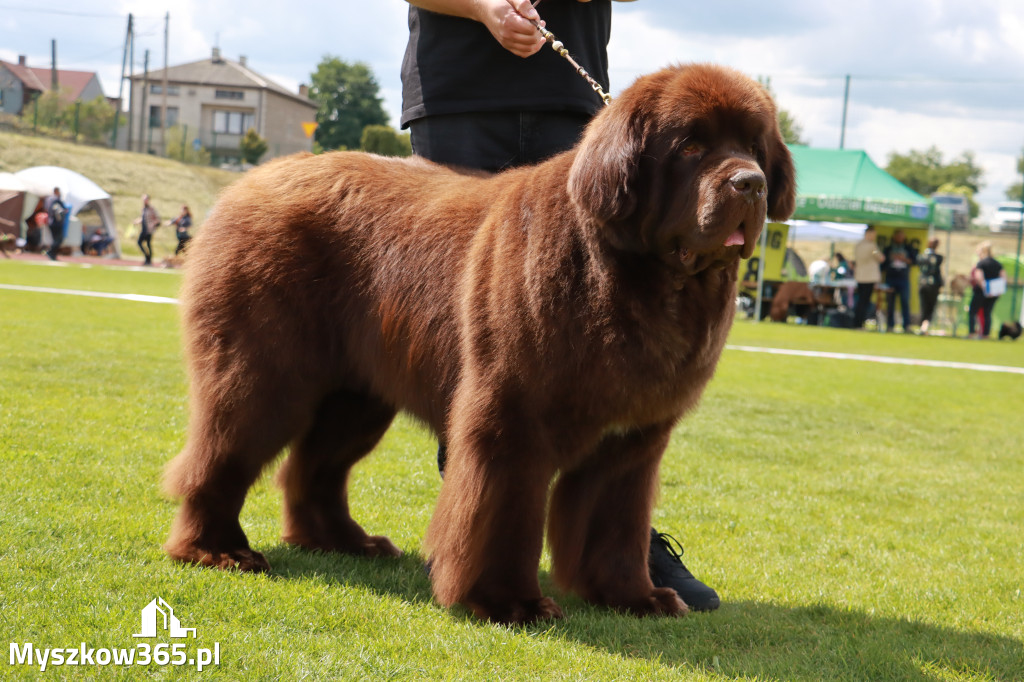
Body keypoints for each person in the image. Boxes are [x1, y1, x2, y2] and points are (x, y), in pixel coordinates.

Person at [401, 0, 720, 611]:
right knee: (472, 356)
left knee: (604, 349)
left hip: (571, 103)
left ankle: (616, 553)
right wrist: (482, 8)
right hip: (460, 99)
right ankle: (482, 543)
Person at [967, 241, 1006, 339]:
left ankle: (972, 333)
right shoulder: (998, 264)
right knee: (987, 313)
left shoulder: (981, 263)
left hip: (981, 292)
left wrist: (986, 289)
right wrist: (996, 291)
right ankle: (986, 334)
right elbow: (1003, 278)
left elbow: (979, 277)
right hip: (994, 293)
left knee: (973, 311)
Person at [882, 229, 918, 332]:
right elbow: (883, 264)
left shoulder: (908, 248)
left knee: (905, 302)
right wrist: (891, 258)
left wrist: (904, 259)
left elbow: (914, 261)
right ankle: (890, 325)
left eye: (901, 236)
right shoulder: (888, 248)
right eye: (897, 236)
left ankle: (906, 325)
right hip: (891, 278)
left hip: (903, 279)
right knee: (890, 303)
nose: (899, 238)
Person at [852, 226, 885, 328]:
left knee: (860, 301)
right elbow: (880, 257)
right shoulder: (872, 247)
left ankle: (856, 322)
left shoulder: (858, 245)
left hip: (860, 277)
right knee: (864, 302)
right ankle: (859, 323)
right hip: (869, 278)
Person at [917, 237, 944, 335]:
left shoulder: (922, 256)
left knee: (924, 306)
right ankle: (925, 325)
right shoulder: (937, 257)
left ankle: (923, 326)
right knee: (930, 307)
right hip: (932, 285)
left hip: (923, 284)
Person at [43, 187, 69, 261]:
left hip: (50, 221)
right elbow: (59, 210)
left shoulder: (48, 199)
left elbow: (45, 209)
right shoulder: (56, 200)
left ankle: (53, 255)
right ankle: (51, 252)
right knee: (59, 239)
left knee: (55, 239)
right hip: (56, 222)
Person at [134, 194, 160, 265]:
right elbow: (143, 219)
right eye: (143, 200)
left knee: (148, 244)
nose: (144, 201)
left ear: (148, 200)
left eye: (145, 199)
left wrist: (153, 224)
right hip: (143, 229)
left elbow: (157, 219)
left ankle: (149, 260)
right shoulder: (143, 209)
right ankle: (147, 257)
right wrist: (137, 221)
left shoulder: (151, 209)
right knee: (139, 243)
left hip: (149, 230)